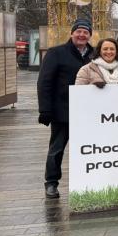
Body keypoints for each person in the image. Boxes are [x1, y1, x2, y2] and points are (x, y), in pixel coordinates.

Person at [37, 19, 94, 199]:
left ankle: (89, 180)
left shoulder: (94, 55)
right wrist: (45, 110)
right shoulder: (56, 53)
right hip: (63, 111)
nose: (82, 35)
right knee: (57, 148)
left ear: (90, 35)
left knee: (90, 148)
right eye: (79, 31)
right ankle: (51, 182)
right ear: (72, 33)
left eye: (86, 32)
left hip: (88, 113)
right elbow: (44, 82)